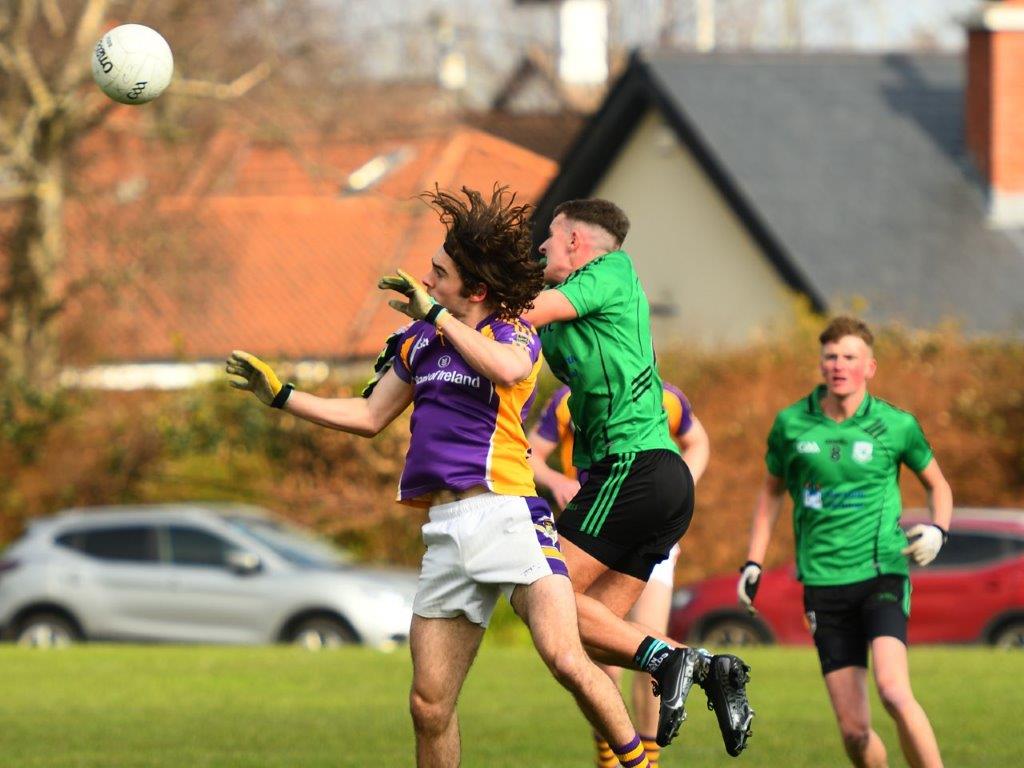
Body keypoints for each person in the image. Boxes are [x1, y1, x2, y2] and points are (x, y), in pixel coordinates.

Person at [227, 186, 654, 768]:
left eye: (439, 274)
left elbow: (505, 369)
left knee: (565, 657)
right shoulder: (419, 342)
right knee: (428, 705)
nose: (426, 283)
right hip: (447, 529)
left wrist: (434, 316)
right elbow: (370, 416)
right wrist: (282, 396)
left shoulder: (511, 333)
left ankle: (638, 763)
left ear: (473, 290)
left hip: (509, 516)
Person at [523, 198, 754, 756]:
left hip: (631, 469)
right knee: (588, 629)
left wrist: (451, 304)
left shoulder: (610, 270)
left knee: (539, 596)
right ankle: (706, 670)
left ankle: (676, 661)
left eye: (549, 239)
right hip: (652, 480)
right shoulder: (573, 309)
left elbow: (521, 312)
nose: (541, 249)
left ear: (577, 242)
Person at [736, 316, 951, 768]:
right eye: (831, 356)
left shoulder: (895, 426)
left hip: (881, 574)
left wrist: (938, 528)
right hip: (823, 584)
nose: (839, 365)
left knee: (893, 692)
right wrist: (753, 562)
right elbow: (771, 492)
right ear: (821, 363)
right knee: (854, 733)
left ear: (869, 367)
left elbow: (938, 485)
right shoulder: (792, 424)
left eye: (849, 357)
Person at [528, 382, 710, 767]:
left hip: (648, 527)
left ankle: (650, 760)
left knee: (646, 648)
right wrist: (557, 480)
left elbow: (698, 441)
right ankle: (611, 759)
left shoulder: (668, 397)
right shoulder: (568, 398)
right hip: (595, 529)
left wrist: (684, 483)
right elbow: (531, 453)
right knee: (598, 651)